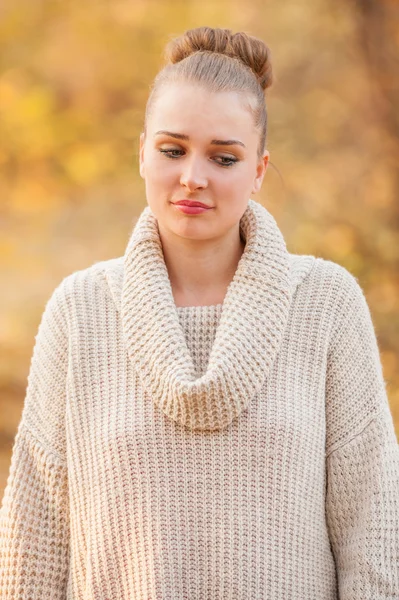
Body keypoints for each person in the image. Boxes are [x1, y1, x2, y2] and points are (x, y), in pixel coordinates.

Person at [0, 25, 398, 600]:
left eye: (224, 157)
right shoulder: (80, 311)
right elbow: (32, 545)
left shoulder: (326, 303)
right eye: (172, 150)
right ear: (141, 152)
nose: (194, 176)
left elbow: (375, 533)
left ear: (259, 171)